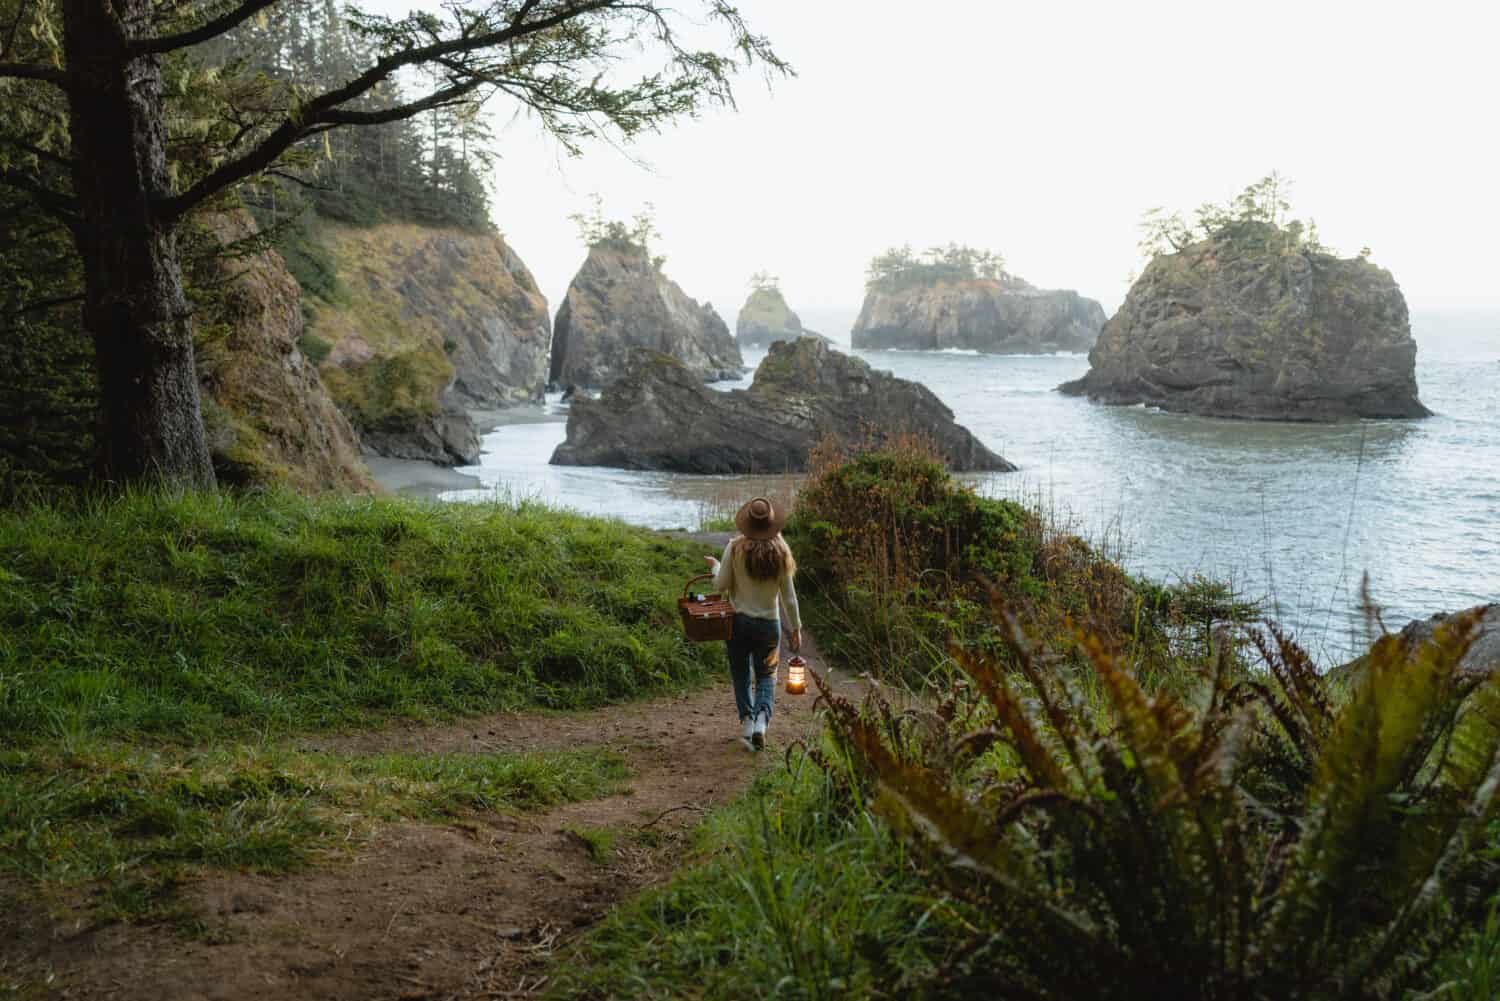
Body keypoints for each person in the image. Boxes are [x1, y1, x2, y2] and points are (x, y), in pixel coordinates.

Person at [705, 496, 802, 751]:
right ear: (771, 524)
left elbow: (721, 585)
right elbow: (789, 599)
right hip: (769, 626)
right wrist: (797, 628)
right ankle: (761, 722)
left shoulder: (734, 548)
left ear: (747, 523)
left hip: (738, 624)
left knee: (741, 674)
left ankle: (747, 722)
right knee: (767, 676)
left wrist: (716, 567)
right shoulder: (782, 552)